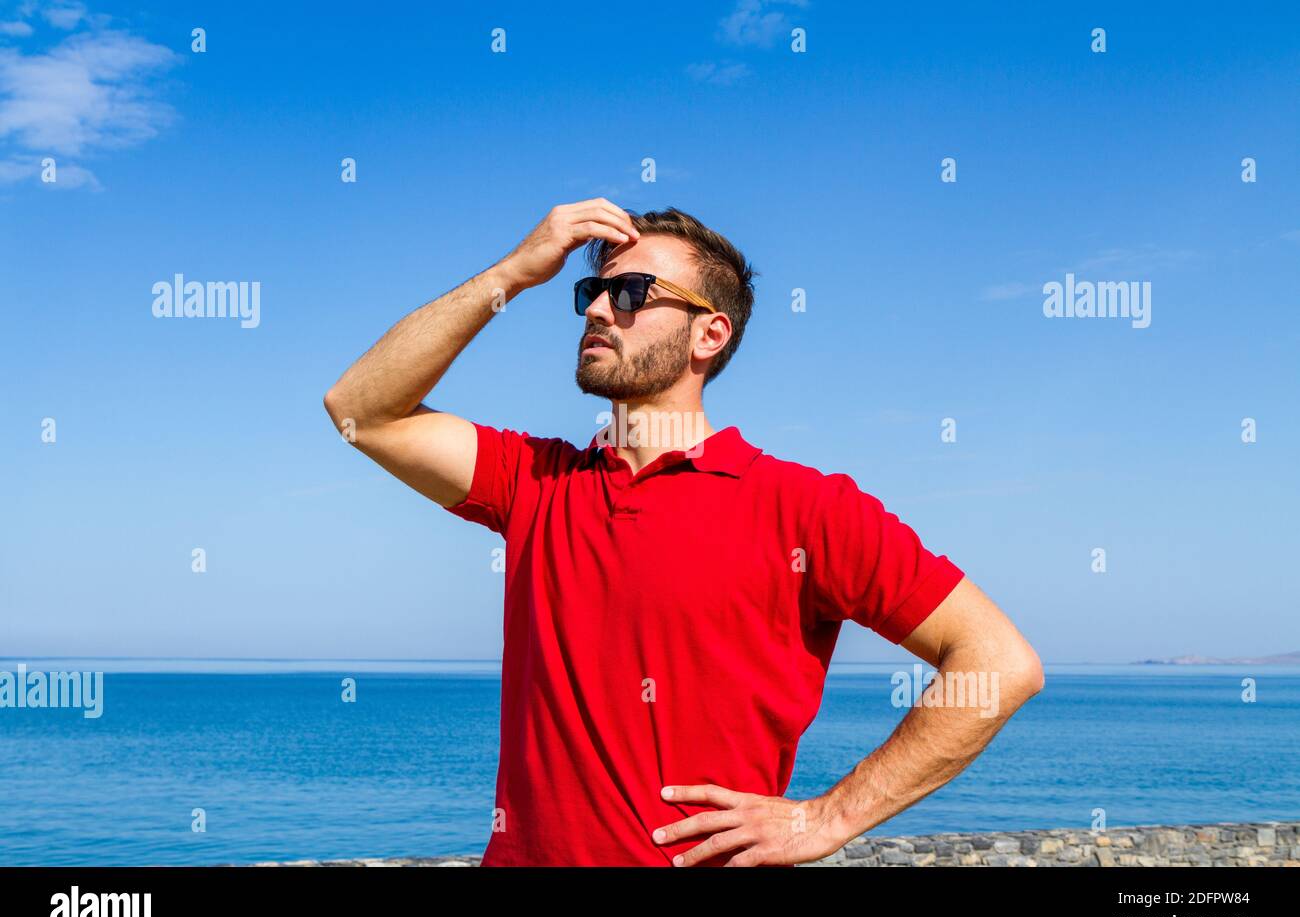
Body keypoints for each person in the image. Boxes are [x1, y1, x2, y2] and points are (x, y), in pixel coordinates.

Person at [323, 199, 1045, 866]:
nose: (599, 308)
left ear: (710, 333)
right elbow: (362, 407)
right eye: (591, 293)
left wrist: (825, 819)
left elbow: (999, 662)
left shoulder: (804, 507)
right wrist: (513, 273)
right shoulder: (533, 482)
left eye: (632, 292)